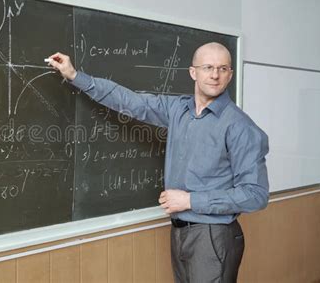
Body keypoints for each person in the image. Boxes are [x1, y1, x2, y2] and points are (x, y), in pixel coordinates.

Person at [47, 42, 269, 283]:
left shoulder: (240, 127)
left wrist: (189, 199)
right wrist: (75, 76)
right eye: (208, 67)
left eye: (223, 68)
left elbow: (256, 194)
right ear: (193, 72)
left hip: (214, 236)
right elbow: (129, 101)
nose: (215, 75)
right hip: (180, 231)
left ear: (230, 74)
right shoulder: (177, 109)